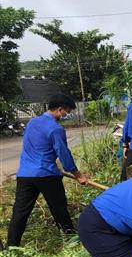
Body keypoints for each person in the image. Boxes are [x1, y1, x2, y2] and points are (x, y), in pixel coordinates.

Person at [6, 94, 89, 247]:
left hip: (24, 175)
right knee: (59, 209)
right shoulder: (56, 129)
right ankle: (72, 241)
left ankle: (11, 248)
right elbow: (63, 154)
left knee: (20, 212)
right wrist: (78, 175)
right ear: (60, 109)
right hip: (46, 175)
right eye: (67, 112)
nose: (66, 115)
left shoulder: (32, 122)